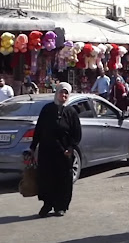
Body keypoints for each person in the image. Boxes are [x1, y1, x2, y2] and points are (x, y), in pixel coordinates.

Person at [28, 82, 82, 218]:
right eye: (61, 92)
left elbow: (77, 133)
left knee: (63, 179)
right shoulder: (47, 109)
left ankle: (61, 206)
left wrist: (70, 148)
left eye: (66, 93)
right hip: (47, 151)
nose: (63, 95)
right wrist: (32, 148)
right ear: (56, 93)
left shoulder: (71, 112)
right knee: (46, 178)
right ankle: (47, 204)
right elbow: (39, 129)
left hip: (64, 153)